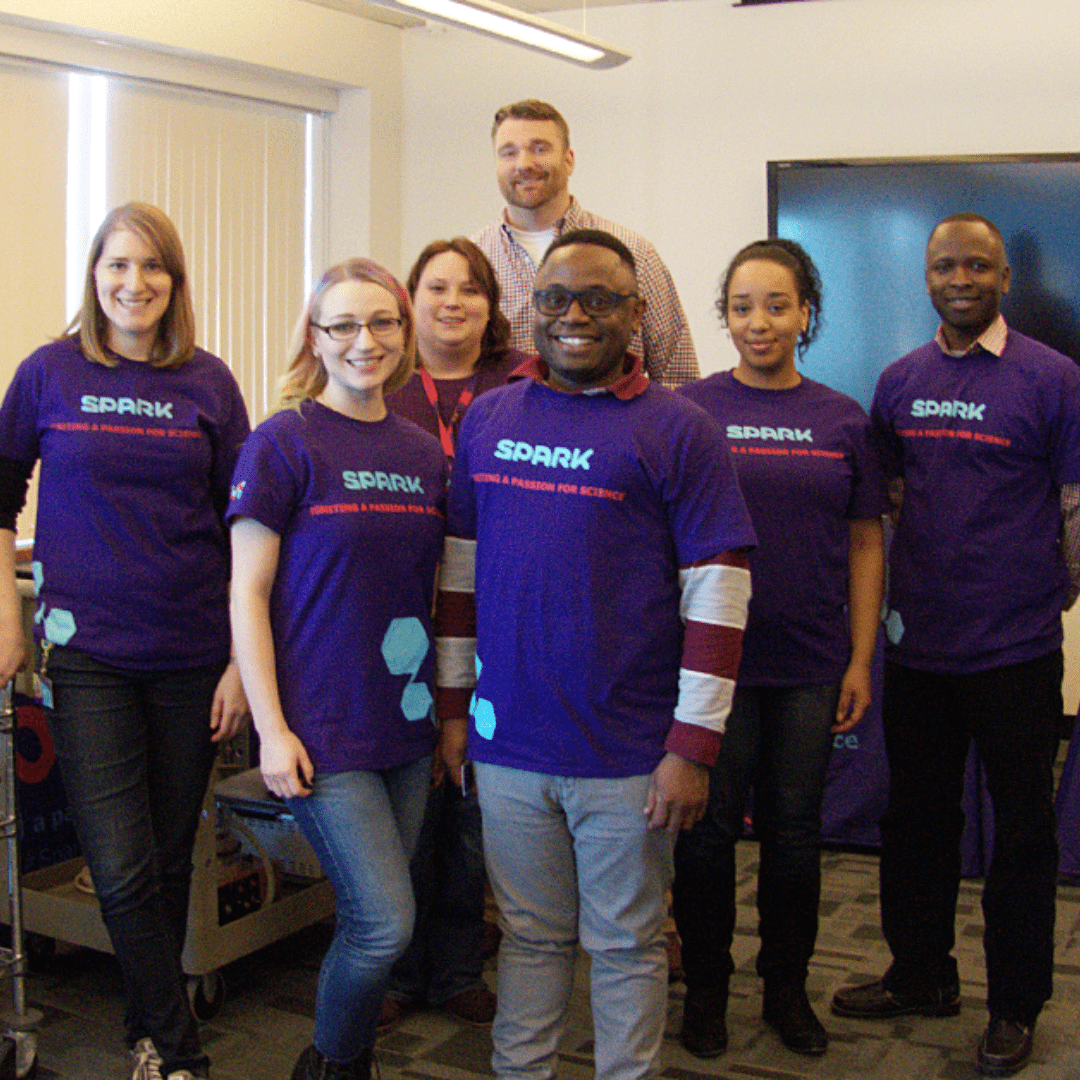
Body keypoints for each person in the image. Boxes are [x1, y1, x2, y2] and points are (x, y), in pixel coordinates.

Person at [436, 228, 756, 1080]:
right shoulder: (491, 418)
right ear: (529, 311)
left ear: (637, 314)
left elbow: (719, 596)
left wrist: (693, 747)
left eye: (598, 300)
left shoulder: (680, 431)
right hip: (508, 747)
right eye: (554, 300)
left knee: (625, 943)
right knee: (533, 937)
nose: (574, 316)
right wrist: (454, 709)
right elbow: (459, 574)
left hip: (628, 755)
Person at [0, 202, 251, 1080]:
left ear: (175, 284)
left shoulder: (210, 384)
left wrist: (238, 662)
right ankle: (179, 1051)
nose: (133, 283)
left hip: (190, 650)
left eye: (153, 268)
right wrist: (5, 613)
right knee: (116, 860)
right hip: (86, 652)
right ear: (94, 275)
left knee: (170, 851)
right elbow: (0, 497)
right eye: (117, 265)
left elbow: (244, 530)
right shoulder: (48, 373)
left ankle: (149, 1035)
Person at [830, 213, 1080, 1079]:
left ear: (1006, 276)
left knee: (1021, 836)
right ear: (927, 278)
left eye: (978, 264)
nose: (961, 277)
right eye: (946, 265)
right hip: (920, 649)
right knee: (916, 823)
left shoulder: (1055, 379)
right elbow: (890, 501)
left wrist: (1053, 593)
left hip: (1016, 653)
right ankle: (921, 974)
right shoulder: (898, 382)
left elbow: (1076, 504)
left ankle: (1016, 1004)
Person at [228, 258, 448, 1080]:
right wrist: (272, 728)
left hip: (407, 722)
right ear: (316, 338)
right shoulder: (283, 441)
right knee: (384, 923)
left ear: (404, 332)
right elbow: (247, 592)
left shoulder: (424, 454)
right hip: (322, 727)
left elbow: (434, 587)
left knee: (378, 915)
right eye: (344, 325)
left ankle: (341, 1062)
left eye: (383, 323)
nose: (366, 341)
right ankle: (328, 1064)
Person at [672, 240, 886, 1058]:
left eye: (777, 305)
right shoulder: (688, 411)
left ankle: (788, 993)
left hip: (807, 663)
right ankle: (708, 998)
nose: (758, 322)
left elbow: (866, 543)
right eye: (742, 306)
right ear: (723, 315)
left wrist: (860, 659)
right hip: (710, 669)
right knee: (709, 834)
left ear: (806, 313)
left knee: (796, 834)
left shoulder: (844, 419)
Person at [381, 238, 525, 1026]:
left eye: (471, 288)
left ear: (491, 306)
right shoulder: (383, 386)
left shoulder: (520, 388)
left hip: (495, 625)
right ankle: (400, 975)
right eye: (436, 287)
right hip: (400, 624)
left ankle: (459, 966)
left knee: (471, 807)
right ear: (410, 301)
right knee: (410, 806)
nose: (453, 302)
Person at [474, 99, 699, 389]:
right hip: (512, 432)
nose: (524, 164)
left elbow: (676, 375)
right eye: (508, 153)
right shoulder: (474, 261)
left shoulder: (634, 254)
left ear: (569, 160)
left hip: (616, 430)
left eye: (539, 148)